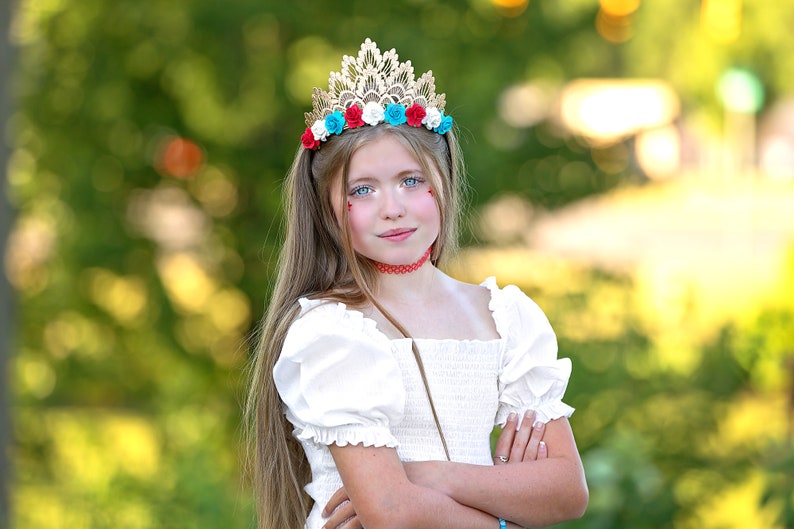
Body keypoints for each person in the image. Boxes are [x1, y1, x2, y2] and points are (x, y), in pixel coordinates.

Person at [245, 38, 588, 529]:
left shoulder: (504, 319)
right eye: (363, 190)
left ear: (444, 180)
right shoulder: (333, 334)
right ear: (327, 208)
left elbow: (565, 492)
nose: (393, 207)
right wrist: (503, 509)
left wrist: (429, 476)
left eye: (411, 180)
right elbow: (393, 516)